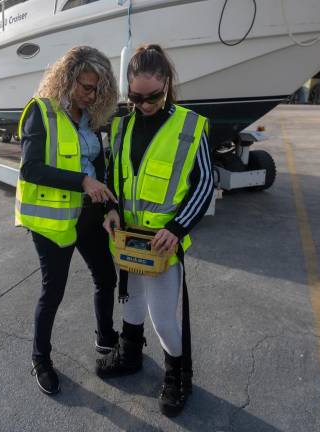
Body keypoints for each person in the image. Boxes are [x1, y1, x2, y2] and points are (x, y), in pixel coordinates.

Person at [96, 44, 214, 417]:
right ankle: (131, 355)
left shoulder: (190, 126)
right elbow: (112, 175)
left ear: (167, 84)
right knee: (130, 303)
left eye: (153, 97)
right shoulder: (121, 125)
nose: (144, 105)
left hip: (164, 243)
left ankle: (177, 375)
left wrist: (177, 228)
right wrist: (111, 208)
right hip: (129, 239)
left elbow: (206, 182)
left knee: (163, 318)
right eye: (135, 97)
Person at [15, 46, 120, 395]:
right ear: (67, 78)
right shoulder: (41, 113)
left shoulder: (91, 121)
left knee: (106, 277)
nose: (90, 95)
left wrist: (108, 209)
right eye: (85, 87)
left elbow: (99, 166)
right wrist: (81, 182)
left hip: (89, 215)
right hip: (54, 220)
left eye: (96, 90)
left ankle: (106, 343)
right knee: (53, 292)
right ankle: (39, 359)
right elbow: (30, 169)